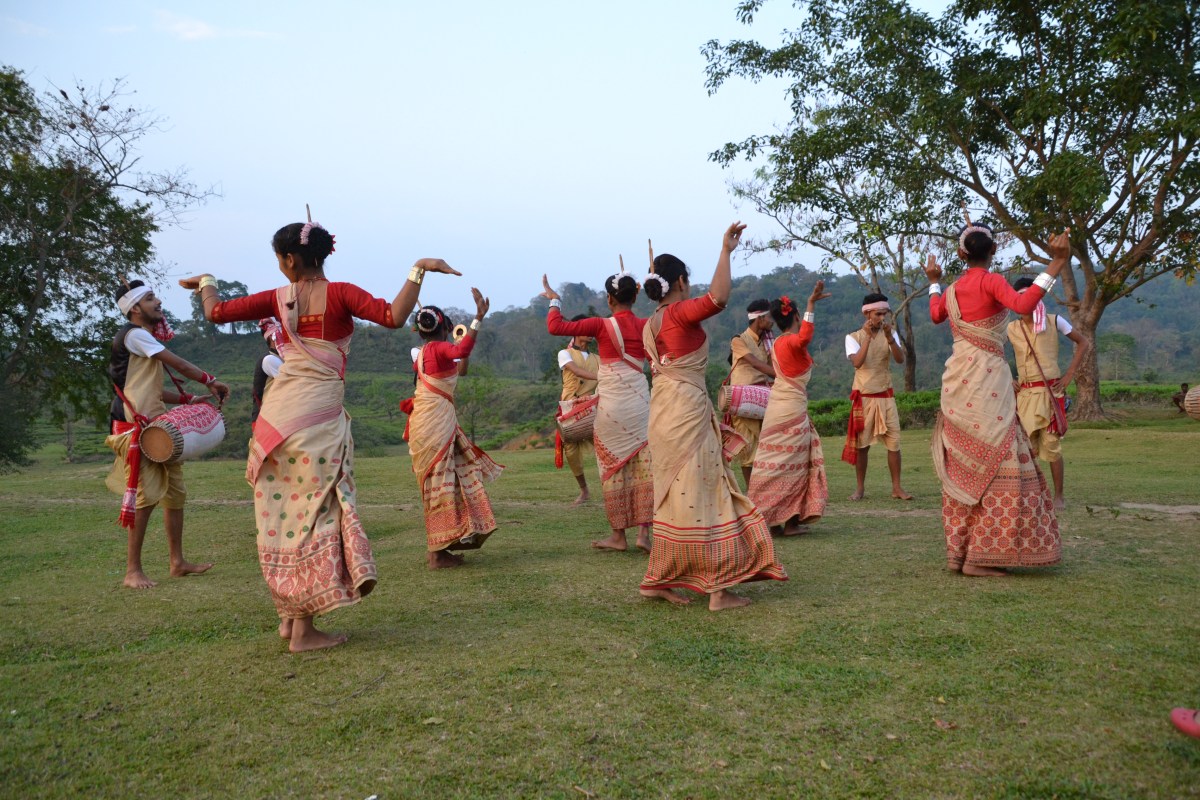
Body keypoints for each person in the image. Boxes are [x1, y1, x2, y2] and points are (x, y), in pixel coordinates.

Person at [183, 220, 460, 651]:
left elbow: (215, 312)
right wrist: (418, 269)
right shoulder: (342, 293)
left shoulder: (276, 298)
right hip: (317, 420)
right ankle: (303, 631)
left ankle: (290, 618)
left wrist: (206, 282)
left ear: (289, 260)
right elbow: (393, 316)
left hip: (276, 420)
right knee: (314, 512)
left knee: (282, 516)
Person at [639, 223, 787, 610]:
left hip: (663, 413)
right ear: (681, 282)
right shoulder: (677, 314)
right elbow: (718, 298)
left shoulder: (650, 324)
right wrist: (726, 250)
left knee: (673, 496)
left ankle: (659, 578)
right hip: (686, 413)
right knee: (708, 491)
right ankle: (718, 590)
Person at [925, 222, 1069, 577]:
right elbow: (1023, 303)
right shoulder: (991, 282)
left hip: (958, 380)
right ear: (993, 251)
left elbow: (935, 314)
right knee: (999, 457)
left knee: (968, 463)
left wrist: (934, 281)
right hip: (988, 378)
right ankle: (979, 557)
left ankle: (963, 553)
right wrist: (1056, 263)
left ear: (961, 254)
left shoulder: (952, 290)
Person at [106, 279, 228, 589]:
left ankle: (177, 562)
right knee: (146, 497)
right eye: (150, 298)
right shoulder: (134, 335)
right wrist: (209, 380)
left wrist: (189, 399)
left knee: (175, 494)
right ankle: (132, 571)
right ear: (135, 308)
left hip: (157, 428)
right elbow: (177, 363)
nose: (158, 301)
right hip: (136, 429)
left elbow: (154, 391)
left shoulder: (143, 339)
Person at [542, 273, 654, 553]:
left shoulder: (600, 325)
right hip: (640, 403)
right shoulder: (646, 325)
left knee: (612, 467)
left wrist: (554, 299)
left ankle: (618, 536)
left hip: (611, 407)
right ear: (635, 296)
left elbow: (555, 326)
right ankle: (644, 534)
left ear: (609, 298)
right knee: (644, 467)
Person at [408, 292, 503, 569]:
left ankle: (441, 547)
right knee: (441, 484)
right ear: (445, 327)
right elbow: (461, 352)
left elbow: (460, 367)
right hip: (435, 424)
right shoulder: (437, 349)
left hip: (427, 423)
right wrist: (478, 319)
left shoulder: (423, 353)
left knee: (439, 485)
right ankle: (437, 554)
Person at [747, 284, 830, 537]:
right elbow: (804, 337)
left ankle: (772, 520)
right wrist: (811, 305)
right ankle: (789, 523)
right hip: (790, 409)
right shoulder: (790, 342)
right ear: (795, 316)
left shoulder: (778, 343)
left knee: (774, 464)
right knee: (794, 464)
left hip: (780, 408)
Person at [1006, 276, 1091, 510]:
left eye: (1028, 296)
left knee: (1052, 446)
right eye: (1019, 298)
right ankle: (1029, 495)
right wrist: (1007, 377)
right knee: (1025, 447)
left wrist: (1069, 375)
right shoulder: (1011, 328)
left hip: (1051, 393)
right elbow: (991, 350)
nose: (1024, 302)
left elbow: (1083, 342)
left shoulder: (1054, 321)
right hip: (1025, 394)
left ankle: (1059, 496)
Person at [842, 292, 912, 501]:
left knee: (894, 443)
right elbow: (857, 362)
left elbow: (900, 360)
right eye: (878, 314)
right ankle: (860, 488)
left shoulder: (891, 333)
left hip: (886, 396)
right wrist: (867, 337)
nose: (882, 318)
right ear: (867, 315)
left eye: (884, 313)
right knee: (862, 446)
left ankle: (897, 488)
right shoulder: (853, 337)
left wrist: (890, 338)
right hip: (864, 397)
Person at [727, 299, 775, 487]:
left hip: (763, 398)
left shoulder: (768, 342)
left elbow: (771, 364)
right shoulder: (738, 340)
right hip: (744, 400)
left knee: (765, 446)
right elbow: (755, 363)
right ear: (760, 319)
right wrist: (784, 376)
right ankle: (752, 490)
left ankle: (762, 488)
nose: (772, 321)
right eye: (769, 317)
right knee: (748, 448)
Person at [555, 315, 599, 506]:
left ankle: (613, 486)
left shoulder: (598, 359)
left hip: (591, 407)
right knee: (571, 451)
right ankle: (584, 491)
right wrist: (603, 376)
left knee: (603, 447)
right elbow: (577, 371)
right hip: (570, 407)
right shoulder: (564, 353)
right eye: (586, 329)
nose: (590, 334)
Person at [250, 317, 283, 425]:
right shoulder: (270, 359)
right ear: (272, 338)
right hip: (266, 421)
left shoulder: (280, 358)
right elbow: (294, 383)